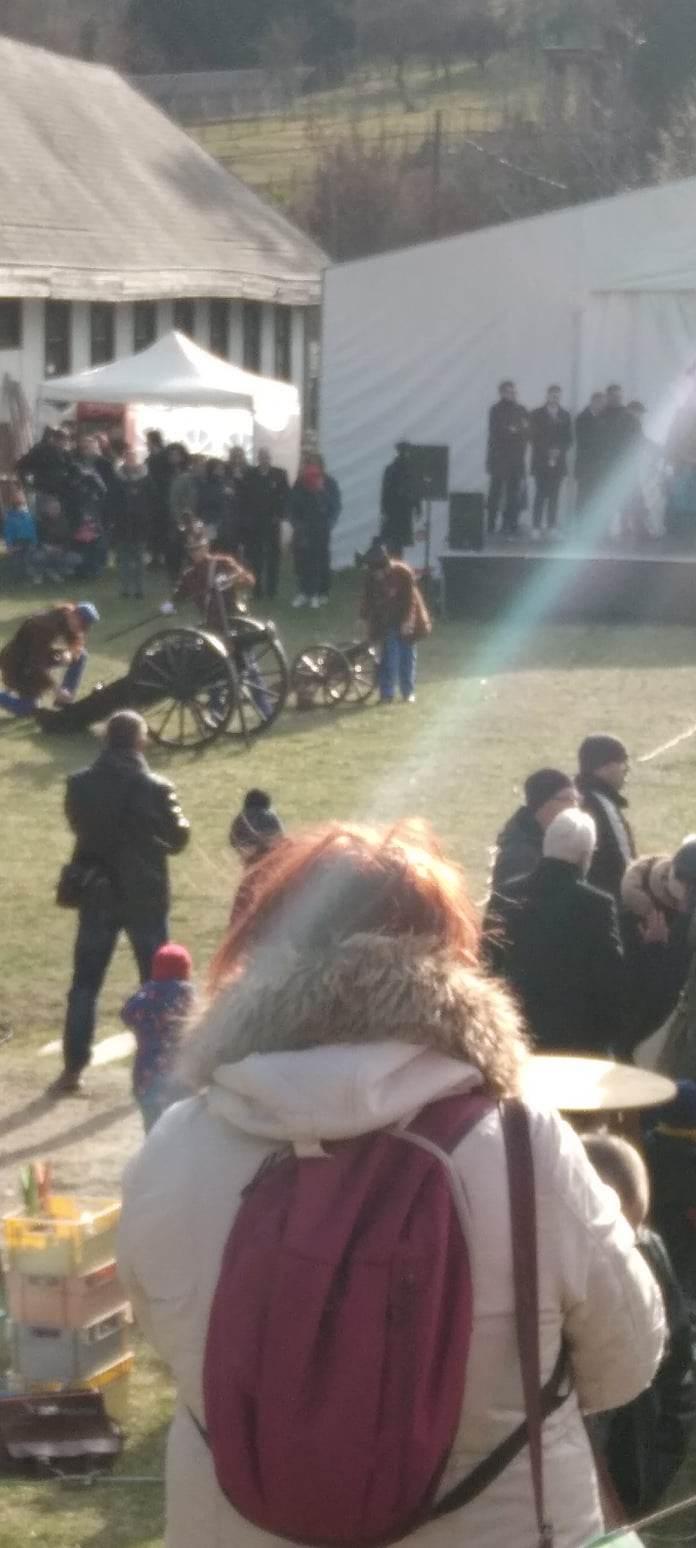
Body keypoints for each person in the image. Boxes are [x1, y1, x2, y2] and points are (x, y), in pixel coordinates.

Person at [118, 821, 664, 1548]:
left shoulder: (179, 1143)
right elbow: (627, 1361)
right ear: (451, 954)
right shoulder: (522, 1144)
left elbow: (167, 1332)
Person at [51, 710, 190, 1096]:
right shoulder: (156, 787)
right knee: (158, 983)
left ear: (105, 739)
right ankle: (163, 1063)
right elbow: (178, 838)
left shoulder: (79, 784)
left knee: (85, 984)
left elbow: (79, 826)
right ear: (140, 741)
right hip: (145, 894)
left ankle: (72, 1067)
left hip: (97, 891)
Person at [583, 1132, 695, 1519]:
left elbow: (678, 1362)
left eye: (635, 1231)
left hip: (625, 1480)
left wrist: (653, 1470)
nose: (625, 1251)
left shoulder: (647, 1250)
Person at [484, 810, 626, 1056]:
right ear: (585, 856)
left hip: (514, 1029)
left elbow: (488, 962)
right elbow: (610, 977)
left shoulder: (506, 894)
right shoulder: (596, 905)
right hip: (576, 1039)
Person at [121, 942, 196, 1133]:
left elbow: (127, 1014)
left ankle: (153, 1149)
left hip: (145, 1075)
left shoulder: (145, 996)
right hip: (180, 1076)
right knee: (181, 1128)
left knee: (153, 1128)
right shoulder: (190, 996)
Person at [359, 539, 431, 704]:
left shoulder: (403, 572)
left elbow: (411, 600)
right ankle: (387, 694)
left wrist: (407, 622)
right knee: (388, 658)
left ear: (385, 567)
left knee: (407, 657)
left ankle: (408, 692)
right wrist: (362, 617)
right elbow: (367, 598)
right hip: (387, 621)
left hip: (407, 619)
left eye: (377, 570)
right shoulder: (371, 577)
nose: (375, 574)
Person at [0, 599, 99, 716]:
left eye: (85, 627)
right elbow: (36, 664)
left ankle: (62, 702)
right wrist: (56, 689)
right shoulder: (44, 626)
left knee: (80, 655)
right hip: (19, 665)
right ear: (73, 614)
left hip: (36, 658)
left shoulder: (66, 619)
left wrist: (68, 653)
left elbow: (76, 647)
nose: (81, 629)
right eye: (81, 623)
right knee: (27, 709)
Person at [490, 767, 577, 893]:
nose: (574, 806)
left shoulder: (554, 840)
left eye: (575, 800)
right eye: (566, 799)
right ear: (543, 804)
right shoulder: (518, 855)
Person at [162, 525, 255, 635]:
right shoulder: (189, 576)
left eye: (198, 548)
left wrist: (232, 581)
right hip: (211, 626)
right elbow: (177, 598)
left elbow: (249, 581)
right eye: (191, 550)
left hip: (233, 621)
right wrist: (165, 609)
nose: (195, 553)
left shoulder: (223, 563)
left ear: (206, 547)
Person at [576, 734, 635, 904]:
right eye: (623, 762)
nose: (627, 769)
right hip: (607, 902)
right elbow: (621, 859)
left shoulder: (582, 797)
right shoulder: (600, 804)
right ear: (606, 766)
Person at [290, 451, 342, 608]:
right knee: (303, 561)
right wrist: (296, 523)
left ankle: (320, 593)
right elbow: (292, 505)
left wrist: (330, 522)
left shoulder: (329, 482)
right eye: (310, 462)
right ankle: (304, 592)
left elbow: (335, 505)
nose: (312, 466)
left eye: (315, 463)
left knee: (321, 560)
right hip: (303, 528)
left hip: (321, 528)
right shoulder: (300, 483)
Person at [242, 449, 289, 600]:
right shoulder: (250, 475)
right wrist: (248, 518)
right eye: (261, 458)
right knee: (256, 559)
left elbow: (286, 496)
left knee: (273, 558)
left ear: (270, 459)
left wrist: (280, 515)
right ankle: (257, 591)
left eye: (266, 458)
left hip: (272, 522)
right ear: (258, 459)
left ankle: (272, 590)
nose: (264, 460)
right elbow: (244, 497)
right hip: (255, 523)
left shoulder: (280, 474)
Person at [486, 381, 529, 540]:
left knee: (514, 493)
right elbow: (497, 431)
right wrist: (514, 430)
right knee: (495, 492)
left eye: (513, 392)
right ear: (502, 393)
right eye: (509, 392)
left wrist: (515, 430)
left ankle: (510, 523)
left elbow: (528, 430)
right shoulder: (495, 410)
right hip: (499, 458)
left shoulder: (521, 409)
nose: (512, 394)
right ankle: (491, 524)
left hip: (516, 458)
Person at [529, 386, 573, 539]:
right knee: (540, 494)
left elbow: (569, 439)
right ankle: (536, 526)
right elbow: (533, 437)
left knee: (554, 495)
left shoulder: (565, 415)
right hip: (540, 461)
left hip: (558, 462)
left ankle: (552, 526)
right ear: (547, 395)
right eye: (553, 395)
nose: (555, 398)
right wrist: (547, 450)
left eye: (558, 396)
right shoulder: (536, 414)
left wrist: (558, 450)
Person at [109, 448, 151, 600]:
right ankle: (125, 589)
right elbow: (111, 500)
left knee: (139, 558)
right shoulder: (117, 479)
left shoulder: (146, 479)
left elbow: (152, 500)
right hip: (122, 524)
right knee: (124, 558)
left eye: (133, 458)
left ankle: (139, 589)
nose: (130, 462)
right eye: (127, 458)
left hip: (140, 524)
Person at [380, 440, 421, 558]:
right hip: (395, 510)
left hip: (402, 510)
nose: (404, 453)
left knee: (397, 543)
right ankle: (394, 562)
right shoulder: (393, 469)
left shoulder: (409, 469)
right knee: (394, 542)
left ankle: (396, 562)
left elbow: (415, 489)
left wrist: (417, 506)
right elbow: (386, 492)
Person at [229, 788, 285, 865]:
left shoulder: (240, 817)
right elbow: (279, 837)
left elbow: (233, 839)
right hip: (268, 856)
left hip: (248, 855)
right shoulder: (269, 815)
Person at [574, 391, 606, 522]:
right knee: (583, 496)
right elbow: (584, 441)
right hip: (586, 465)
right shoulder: (582, 418)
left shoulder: (604, 418)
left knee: (597, 496)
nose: (603, 406)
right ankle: (580, 523)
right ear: (594, 402)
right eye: (601, 403)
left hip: (600, 465)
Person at [145, 430, 173, 568]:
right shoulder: (151, 458)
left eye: (148, 441)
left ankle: (161, 557)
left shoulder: (163, 457)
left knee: (161, 529)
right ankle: (156, 557)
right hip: (154, 499)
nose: (146, 444)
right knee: (154, 529)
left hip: (162, 498)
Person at [3, 481, 39, 581]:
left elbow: (32, 530)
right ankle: (17, 578)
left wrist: (34, 541)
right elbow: (8, 532)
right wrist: (10, 545)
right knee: (17, 561)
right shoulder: (10, 517)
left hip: (28, 541)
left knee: (29, 559)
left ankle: (30, 576)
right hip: (17, 542)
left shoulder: (29, 515)